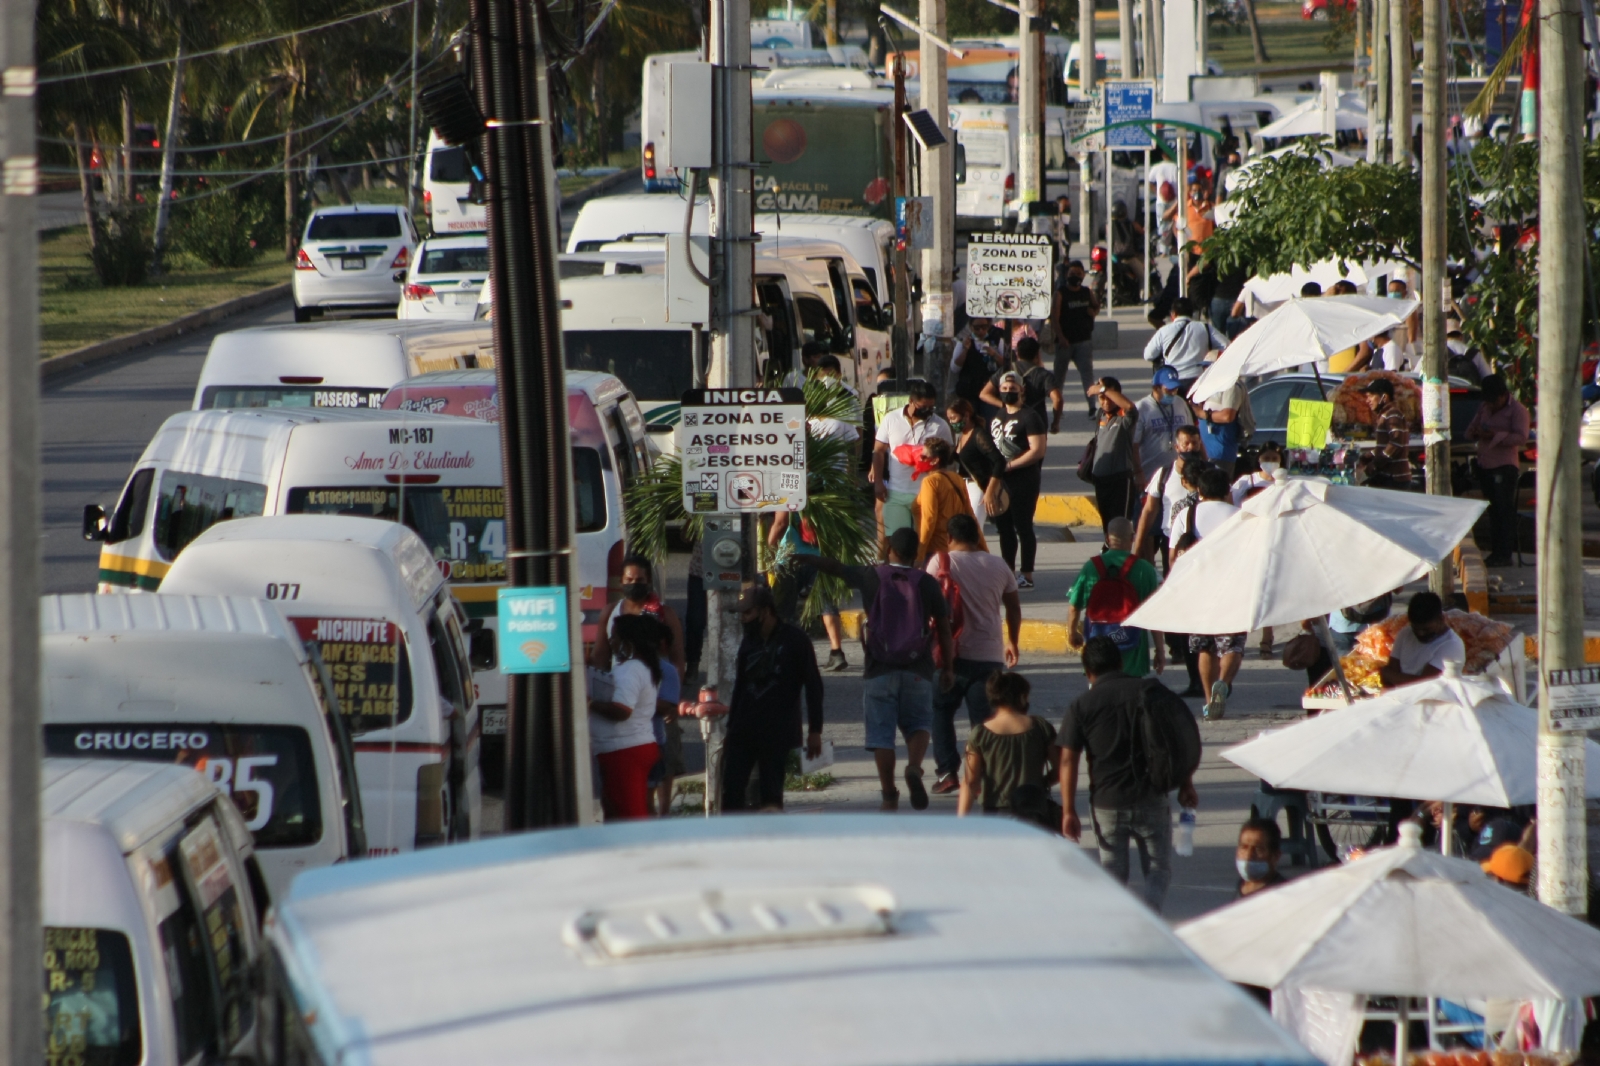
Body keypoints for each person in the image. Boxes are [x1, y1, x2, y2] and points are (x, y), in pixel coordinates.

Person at [797, 528, 955, 811]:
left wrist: (807, 559)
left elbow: (836, 567)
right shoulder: (927, 582)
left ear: (889, 548)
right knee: (919, 723)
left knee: (882, 736)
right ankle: (915, 768)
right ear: (915, 553)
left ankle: (888, 795)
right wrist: (948, 668)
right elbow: (944, 628)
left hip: (878, 668)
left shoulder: (872, 575)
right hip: (918, 666)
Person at [1059, 636, 1199, 913]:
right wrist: (1186, 783)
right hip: (1152, 796)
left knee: (1112, 876)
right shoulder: (1150, 692)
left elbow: (1067, 761)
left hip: (1107, 804)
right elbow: (1178, 739)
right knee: (1158, 869)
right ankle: (1150, 914)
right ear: (1120, 661)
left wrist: (1068, 811)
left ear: (1088, 672)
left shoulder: (1081, 706)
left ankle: (1120, 928)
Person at [928, 514, 1022, 795]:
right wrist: (1012, 642)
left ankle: (947, 772)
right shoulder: (998, 564)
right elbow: (1013, 608)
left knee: (941, 713)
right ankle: (984, 774)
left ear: (950, 537)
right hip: (989, 655)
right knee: (985, 721)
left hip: (950, 656)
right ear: (978, 536)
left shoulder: (941, 562)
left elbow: (928, 605)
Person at [721, 583, 825, 811]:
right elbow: (740, 686)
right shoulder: (748, 643)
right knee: (731, 790)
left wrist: (815, 730)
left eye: (748, 613)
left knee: (771, 795)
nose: (744, 619)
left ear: (765, 611)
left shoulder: (795, 640)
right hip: (743, 730)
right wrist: (730, 729)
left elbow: (814, 685)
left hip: (777, 732)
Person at [1176, 466, 1244, 720]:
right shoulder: (1240, 515)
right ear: (1227, 490)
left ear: (1200, 490)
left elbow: (1175, 556)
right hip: (1232, 588)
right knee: (1232, 645)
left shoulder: (1187, 514)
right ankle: (1223, 684)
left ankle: (1208, 701)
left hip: (1199, 590)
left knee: (1205, 648)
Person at [588, 613, 663, 821]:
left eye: (615, 637)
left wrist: (589, 703)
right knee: (616, 812)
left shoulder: (632, 670)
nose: (611, 642)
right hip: (621, 751)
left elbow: (622, 710)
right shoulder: (635, 667)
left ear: (628, 642)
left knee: (630, 818)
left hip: (625, 752)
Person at [1066, 516, 1163, 677]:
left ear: (1107, 539)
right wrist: (1159, 650)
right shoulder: (1144, 569)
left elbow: (1074, 607)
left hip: (1098, 654)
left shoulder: (1091, 567)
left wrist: (1072, 633)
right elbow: (1153, 616)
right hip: (1133, 653)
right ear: (1132, 538)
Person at [957, 671, 1059, 819]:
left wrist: (961, 822)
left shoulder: (979, 734)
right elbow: (1060, 768)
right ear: (1022, 697)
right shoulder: (1041, 727)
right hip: (1034, 809)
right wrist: (1041, 784)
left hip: (995, 814)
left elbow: (970, 782)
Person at [872, 379, 953, 539]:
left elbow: (949, 458)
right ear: (911, 401)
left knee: (923, 541)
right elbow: (878, 451)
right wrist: (878, 482)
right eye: (923, 407)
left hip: (926, 492)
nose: (928, 411)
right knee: (897, 540)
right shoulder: (891, 419)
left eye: (932, 407)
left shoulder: (940, 425)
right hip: (896, 491)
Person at [768, 510, 849, 672]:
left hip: (790, 556)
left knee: (783, 608)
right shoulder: (824, 484)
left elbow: (781, 522)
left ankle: (785, 653)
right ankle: (836, 652)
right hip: (820, 557)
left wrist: (769, 544)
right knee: (827, 604)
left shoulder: (788, 486)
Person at [990, 371, 1049, 589]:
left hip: (1024, 479)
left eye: (1012, 388)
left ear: (1021, 390)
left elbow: (1038, 450)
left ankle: (1027, 574)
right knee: (1003, 528)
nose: (1008, 392)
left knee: (1023, 527)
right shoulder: (998, 415)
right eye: (1004, 389)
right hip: (1001, 480)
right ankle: (1008, 571)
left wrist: (1011, 465)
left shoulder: (1030, 417)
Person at [1464, 374, 1530, 567]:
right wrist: (1478, 433)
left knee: (1504, 511)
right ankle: (1495, 552)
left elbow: (1521, 437)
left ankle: (1504, 553)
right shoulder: (1485, 408)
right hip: (1486, 465)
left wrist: (1496, 436)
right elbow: (1470, 430)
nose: (1492, 405)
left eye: (1494, 401)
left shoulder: (1517, 411)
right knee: (1493, 511)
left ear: (1503, 395)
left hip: (1504, 466)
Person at [591, 554, 687, 680]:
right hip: (620, 689)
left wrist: (673, 693)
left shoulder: (666, 614)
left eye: (639, 580)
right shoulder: (609, 612)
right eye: (629, 580)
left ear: (648, 581)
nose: (634, 584)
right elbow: (600, 656)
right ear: (621, 581)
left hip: (655, 690)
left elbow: (677, 659)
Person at [1134, 424, 1204, 573]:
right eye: (1186, 444)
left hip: (1204, 539)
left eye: (1195, 443)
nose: (1191, 448)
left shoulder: (1211, 473)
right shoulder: (1164, 475)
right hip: (1171, 542)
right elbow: (1149, 511)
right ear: (1177, 447)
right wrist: (1137, 548)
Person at [1085, 377, 1143, 536]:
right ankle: (1109, 555)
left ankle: (1120, 557)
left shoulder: (1125, 416)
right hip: (1100, 479)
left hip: (1120, 480)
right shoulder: (1100, 415)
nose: (1105, 402)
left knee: (1120, 526)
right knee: (1107, 527)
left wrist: (1103, 389)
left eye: (1108, 397)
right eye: (1101, 398)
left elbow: (1130, 406)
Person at [913, 437, 982, 562]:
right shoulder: (957, 478)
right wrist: (984, 549)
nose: (919, 459)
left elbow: (929, 519)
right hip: (956, 547)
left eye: (923, 457)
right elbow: (970, 515)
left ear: (935, 461)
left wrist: (920, 553)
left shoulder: (930, 481)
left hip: (935, 550)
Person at [1379, 591, 1465, 688]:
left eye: (1426, 629)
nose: (1421, 633)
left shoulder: (1452, 645)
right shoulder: (1405, 633)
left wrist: (1389, 675)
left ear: (1441, 619)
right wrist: (1391, 677)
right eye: (1416, 629)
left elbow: (1425, 685)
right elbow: (1390, 672)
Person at [1143, 297, 1228, 394]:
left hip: (1172, 380)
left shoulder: (1164, 331)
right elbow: (1226, 345)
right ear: (1192, 313)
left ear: (1173, 314)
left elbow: (1148, 355)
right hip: (1197, 378)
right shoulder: (1204, 328)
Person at [981, 336, 1062, 432]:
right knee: (1036, 446)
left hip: (1009, 419)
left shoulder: (1005, 371)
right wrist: (1055, 422)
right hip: (1036, 421)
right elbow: (1057, 399)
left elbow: (984, 394)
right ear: (1037, 355)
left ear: (1017, 353)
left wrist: (1004, 404)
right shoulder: (1044, 375)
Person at [1132, 367, 1194, 490]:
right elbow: (1133, 445)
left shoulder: (1180, 403)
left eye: (1175, 389)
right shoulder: (1142, 408)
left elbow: (1192, 433)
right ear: (1156, 388)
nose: (1172, 393)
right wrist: (1138, 472)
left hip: (1178, 476)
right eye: (1168, 390)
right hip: (1150, 476)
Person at [1052, 260, 1099, 417]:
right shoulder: (1061, 293)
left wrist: (1093, 311)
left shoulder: (1086, 292)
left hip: (1084, 341)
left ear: (1084, 275)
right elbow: (1054, 318)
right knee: (1059, 377)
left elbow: (1096, 305)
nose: (1075, 277)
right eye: (1072, 274)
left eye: (1079, 274)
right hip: (1065, 342)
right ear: (1066, 275)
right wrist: (1060, 337)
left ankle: (1092, 407)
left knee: (1087, 376)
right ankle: (1057, 407)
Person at [946, 397, 1006, 518]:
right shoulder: (962, 436)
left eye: (954, 418)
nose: (952, 422)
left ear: (966, 416)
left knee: (974, 526)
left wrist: (989, 491)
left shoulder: (978, 435)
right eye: (949, 419)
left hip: (978, 486)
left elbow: (999, 461)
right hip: (964, 486)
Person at [648, 621, 685, 817]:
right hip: (641, 739)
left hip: (658, 735)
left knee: (665, 769)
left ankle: (663, 814)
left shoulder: (666, 670)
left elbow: (668, 706)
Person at [1356, 378, 1413, 490]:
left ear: (1384, 397)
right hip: (1388, 477)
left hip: (1394, 479)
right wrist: (1367, 456)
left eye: (1370, 396)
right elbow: (1384, 446)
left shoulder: (1392, 414)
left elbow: (1396, 443)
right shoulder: (1385, 415)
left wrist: (1375, 464)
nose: (1367, 400)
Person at [1197, 380, 1249, 479]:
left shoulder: (1231, 386)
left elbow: (1228, 416)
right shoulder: (1208, 386)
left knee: (1217, 489)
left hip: (1221, 453)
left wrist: (1200, 413)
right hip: (1205, 453)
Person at [949, 317, 1002, 408]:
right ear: (971, 327)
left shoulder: (997, 340)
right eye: (977, 328)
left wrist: (994, 354)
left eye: (984, 327)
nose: (980, 331)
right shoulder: (963, 342)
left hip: (989, 390)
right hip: (969, 390)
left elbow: (1006, 364)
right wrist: (965, 349)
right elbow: (955, 367)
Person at [1235, 817, 1288, 898]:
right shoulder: (1241, 885)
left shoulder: (1282, 893)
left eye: (1258, 849)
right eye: (1244, 847)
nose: (1249, 855)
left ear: (1275, 856)